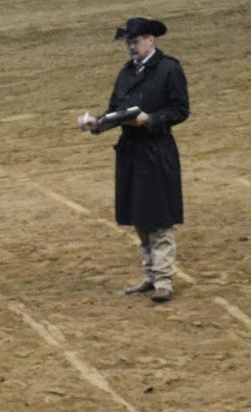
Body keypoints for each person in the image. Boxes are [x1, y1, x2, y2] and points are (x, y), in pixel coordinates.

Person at [77, 16, 190, 303]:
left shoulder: (169, 68)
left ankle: (163, 279)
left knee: (159, 217)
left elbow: (180, 110)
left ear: (151, 40)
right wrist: (97, 124)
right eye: (128, 42)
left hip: (156, 149)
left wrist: (150, 119)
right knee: (140, 216)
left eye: (135, 41)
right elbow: (116, 110)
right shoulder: (126, 72)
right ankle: (152, 275)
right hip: (131, 151)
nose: (131, 47)